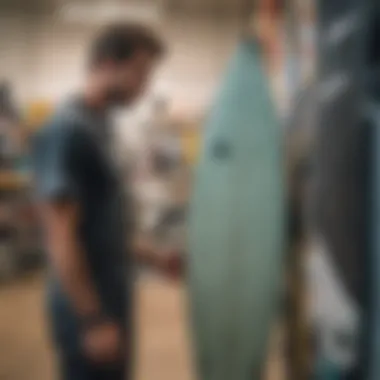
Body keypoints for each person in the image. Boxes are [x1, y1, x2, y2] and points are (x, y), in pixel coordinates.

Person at [32, 23, 177, 380]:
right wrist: (91, 319)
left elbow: (101, 227)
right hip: (87, 307)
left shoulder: (101, 127)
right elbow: (60, 236)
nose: (145, 85)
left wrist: (153, 257)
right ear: (108, 64)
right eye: (140, 73)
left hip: (112, 296)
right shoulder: (67, 130)